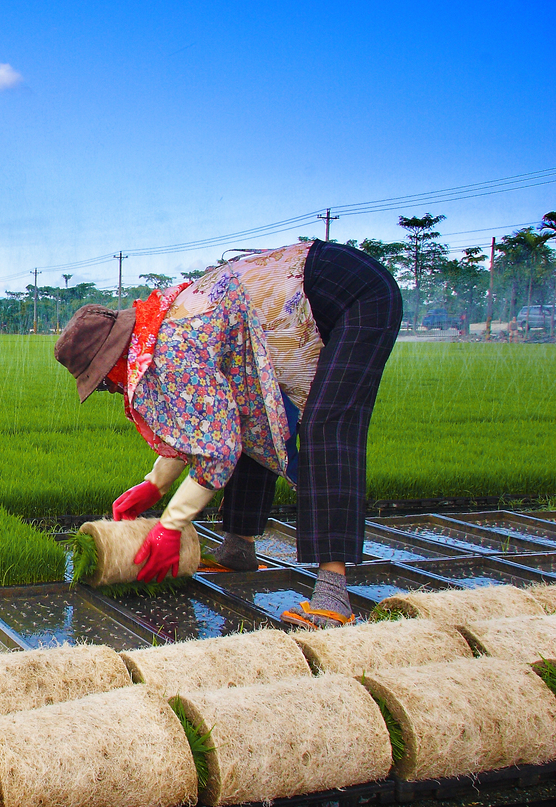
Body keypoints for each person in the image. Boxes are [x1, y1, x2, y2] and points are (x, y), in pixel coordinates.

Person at [54, 240, 401, 629]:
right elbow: (210, 421)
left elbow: (216, 448)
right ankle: (238, 548)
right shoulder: (157, 332)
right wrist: (154, 484)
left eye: (103, 380)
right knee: (251, 421)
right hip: (320, 284)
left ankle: (333, 596)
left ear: (116, 357)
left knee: (327, 426)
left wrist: (171, 525)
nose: (111, 387)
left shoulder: (174, 344)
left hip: (348, 293)